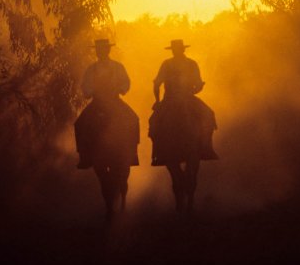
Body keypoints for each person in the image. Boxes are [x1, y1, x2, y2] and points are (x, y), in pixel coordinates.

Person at [149, 39, 218, 212]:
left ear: (181, 49)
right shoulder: (167, 64)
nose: (176, 51)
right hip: (171, 99)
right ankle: (159, 151)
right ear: (173, 50)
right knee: (153, 121)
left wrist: (194, 89)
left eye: (178, 49)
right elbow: (157, 83)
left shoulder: (191, 64)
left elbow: (197, 83)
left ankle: (206, 146)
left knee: (209, 115)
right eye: (174, 49)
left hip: (186, 98)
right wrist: (157, 101)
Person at [74, 39, 139, 219]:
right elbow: (85, 87)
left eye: (103, 49)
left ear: (107, 50)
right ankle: (84, 155)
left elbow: (126, 83)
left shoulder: (117, 67)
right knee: (79, 124)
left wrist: (120, 88)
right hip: (98, 102)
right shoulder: (91, 69)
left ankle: (132, 150)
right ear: (97, 51)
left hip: (115, 101)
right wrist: (90, 91)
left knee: (134, 119)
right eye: (99, 49)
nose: (100, 52)